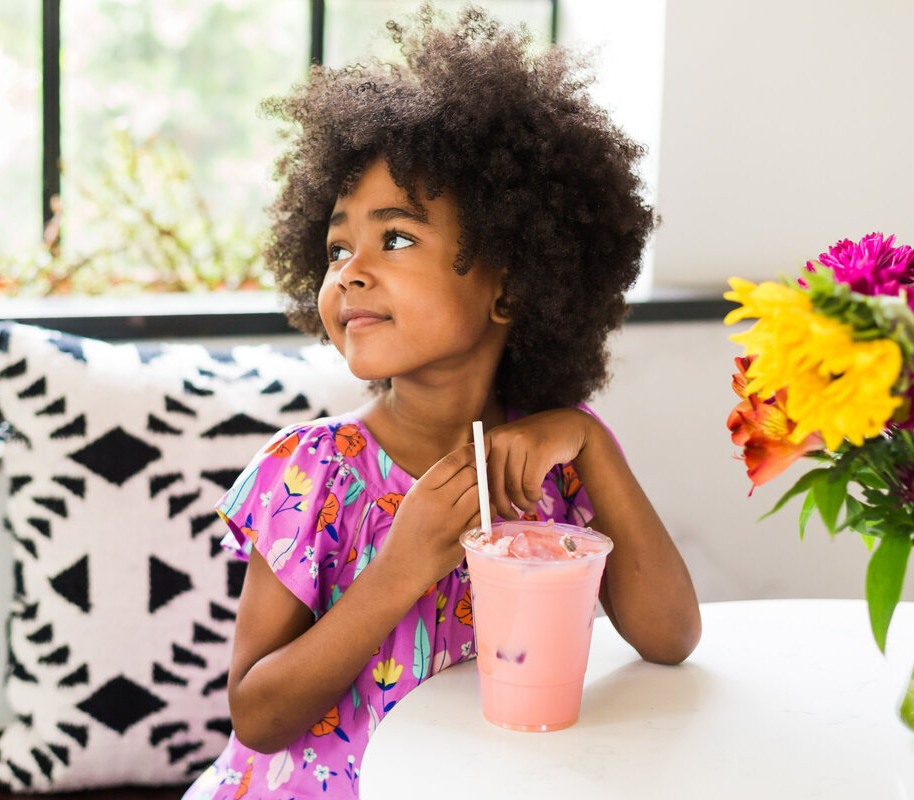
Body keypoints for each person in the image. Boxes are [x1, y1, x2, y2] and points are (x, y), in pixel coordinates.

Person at [183, 5, 701, 798]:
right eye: (335, 248)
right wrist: (401, 567)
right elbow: (257, 714)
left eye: (394, 239)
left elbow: (671, 637)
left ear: (511, 283)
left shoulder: (554, 464)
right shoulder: (313, 473)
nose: (351, 270)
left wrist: (590, 443)